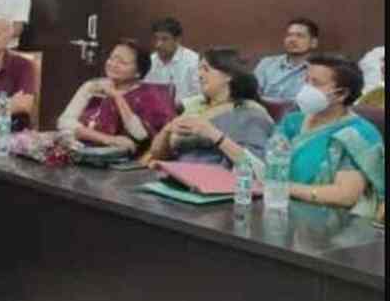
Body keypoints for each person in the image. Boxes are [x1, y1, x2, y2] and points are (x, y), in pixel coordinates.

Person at [274, 56, 384, 217]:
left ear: (341, 94)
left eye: (316, 83)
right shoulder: (293, 121)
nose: (306, 89)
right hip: (279, 210)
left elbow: (345, 196)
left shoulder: (357, 135)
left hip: (335, 222)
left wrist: (283, 188)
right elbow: (270, 166)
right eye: (306, 81)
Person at [148, 49, 274, 168]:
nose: (199, 75)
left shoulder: (249, 112)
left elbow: (255, 165)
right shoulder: (195, 105)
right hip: (177, 175)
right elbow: (157, 155)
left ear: (228, 75)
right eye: (199, 69)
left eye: (206, 69)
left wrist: (212, 133)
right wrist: (167, 130)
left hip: (217, 179)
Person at [58, 40, 177, 155]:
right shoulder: (92, 86)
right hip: (82, 150)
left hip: (123, 160)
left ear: (138, 72)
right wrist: (107, 139)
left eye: (122, 62)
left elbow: (140, 135)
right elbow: (65, 122)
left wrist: (117, 96)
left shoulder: (148, 95)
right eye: (111, 58)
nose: (113, 64)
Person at [254, 18, 319, 102]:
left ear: (313, 43)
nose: (292, 40)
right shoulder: (267, 63)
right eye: (289, 35)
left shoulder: (318, 70)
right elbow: (252, 94)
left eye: (300, 36)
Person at [143, 17, 201, 103]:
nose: (158, 44)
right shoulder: (150, 61)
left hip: (186, 109)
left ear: (177, 40)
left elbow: (200, 96)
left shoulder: (193, 61)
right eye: (156, 39)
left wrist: (180, 105)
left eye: (164, 39)